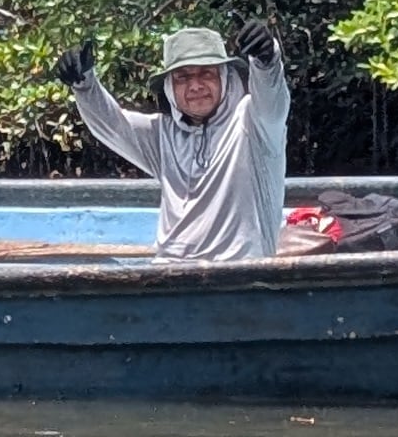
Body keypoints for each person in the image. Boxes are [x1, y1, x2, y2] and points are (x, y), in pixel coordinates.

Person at [52, 23, 289, 262]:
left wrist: (266, 60)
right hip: (169, 272)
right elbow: (111, 125)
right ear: (170, 86)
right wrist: (83, 83)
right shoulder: (162, 134)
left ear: (225, 78)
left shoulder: (254, 123)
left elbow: (272, 96)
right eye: (182, 77)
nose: (195, 86)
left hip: (240, 273)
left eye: (206, 73)